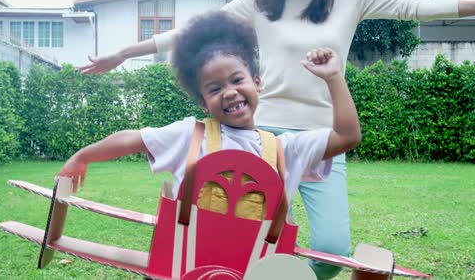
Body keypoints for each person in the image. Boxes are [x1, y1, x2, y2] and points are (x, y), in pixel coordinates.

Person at [77, 0, 475, 278]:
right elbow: (193, 31)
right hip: (264, 137)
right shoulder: (258, 0)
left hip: (322, 138)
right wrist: (124, 53)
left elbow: (421, 7)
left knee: (330, 251)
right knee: (255, 240)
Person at [58, 12, 361, 233]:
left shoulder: (287, 150)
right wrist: (82, 156)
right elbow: (133, 138)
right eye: (215, 89)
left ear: (258, 84)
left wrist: (333, 77)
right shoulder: (190, 136)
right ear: (203, 102)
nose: (229, 92)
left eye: (237, 80)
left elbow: (347, 136)